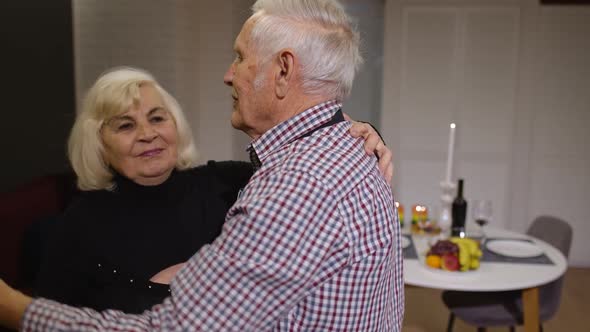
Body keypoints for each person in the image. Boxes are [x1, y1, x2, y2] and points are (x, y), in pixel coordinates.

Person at [0, 0, 403, 330]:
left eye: (240, 58)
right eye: (125, 125)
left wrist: (16, 309)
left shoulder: (293, 187)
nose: (228, 75)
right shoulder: (335, 158)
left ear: (282, 71)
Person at [32, 66, 390, 315]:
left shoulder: (225, 184)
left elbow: (313, 166)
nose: (147, 134)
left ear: (176, 124)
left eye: (157, 118)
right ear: (98, 142)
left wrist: (360, 130)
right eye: (126, 125)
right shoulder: (79, 224)